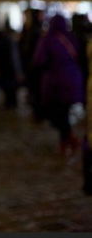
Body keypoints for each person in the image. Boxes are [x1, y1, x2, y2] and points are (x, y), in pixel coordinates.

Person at [33, 14, 85, 157]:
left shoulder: (48, 39)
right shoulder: (72, 37)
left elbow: (39, 60)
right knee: (64, 112)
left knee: (58, 113)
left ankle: (68, 140)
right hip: (73, 80)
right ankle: (68, 140)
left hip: (56, 83)